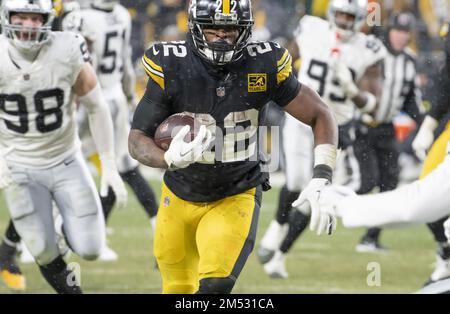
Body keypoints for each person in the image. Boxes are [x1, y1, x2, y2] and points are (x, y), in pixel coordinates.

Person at [128, 0, 338, 294]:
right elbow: (137, 138)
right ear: (196, 27)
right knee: (177, 289)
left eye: (230, 28)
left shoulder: (263, 65)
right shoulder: (173, 65)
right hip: (177, 195)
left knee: (214, 288)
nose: (222, 36)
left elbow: (320, 113)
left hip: (235, 193)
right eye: (213, 28)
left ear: (246, 30)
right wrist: (168, 158)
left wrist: (322, 175)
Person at [0, 0, 127, 294]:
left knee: (92, 248)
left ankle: (56, 229)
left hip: (65, 158)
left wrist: (109, 164)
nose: (29, 25)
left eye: (37, 18)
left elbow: (96, 106)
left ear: (48, 19)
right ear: (7, 17)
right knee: (43, 251)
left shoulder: (66, 48)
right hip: (19, 163)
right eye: (23, 17)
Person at [258, 0, 386, 278]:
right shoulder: (311, 29)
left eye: (349, 16)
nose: (343, 20)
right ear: (330, 14)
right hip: (301, 119)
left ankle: (280, 253)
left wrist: (353, 91)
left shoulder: (369, 49)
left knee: (315, 191)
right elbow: (283, 64)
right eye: (339, 14)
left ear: (360, 18)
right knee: (294, 182)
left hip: (334, 127)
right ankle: (277, 229)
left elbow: (373, 105)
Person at [62, 0, 159, 261]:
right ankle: (154, 224)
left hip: (89, 98)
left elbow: (73, 64)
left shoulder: (81, 16)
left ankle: (80, 232)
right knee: (121, 168)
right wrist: (129, 96)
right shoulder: (121, 15)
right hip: (112, 97)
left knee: (67, 164)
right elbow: (126, 63)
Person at [353, 12, 423, 253]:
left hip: (387, 128)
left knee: (390, 183)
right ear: (389, 31)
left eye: (405, 33)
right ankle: (332, 203)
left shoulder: (409, 62)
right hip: (363, 126)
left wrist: (425, 124)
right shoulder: (374, 53)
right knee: (367, 181)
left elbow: (411, 101)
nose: (401, 37)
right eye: (397, 31)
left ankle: (370, 238)